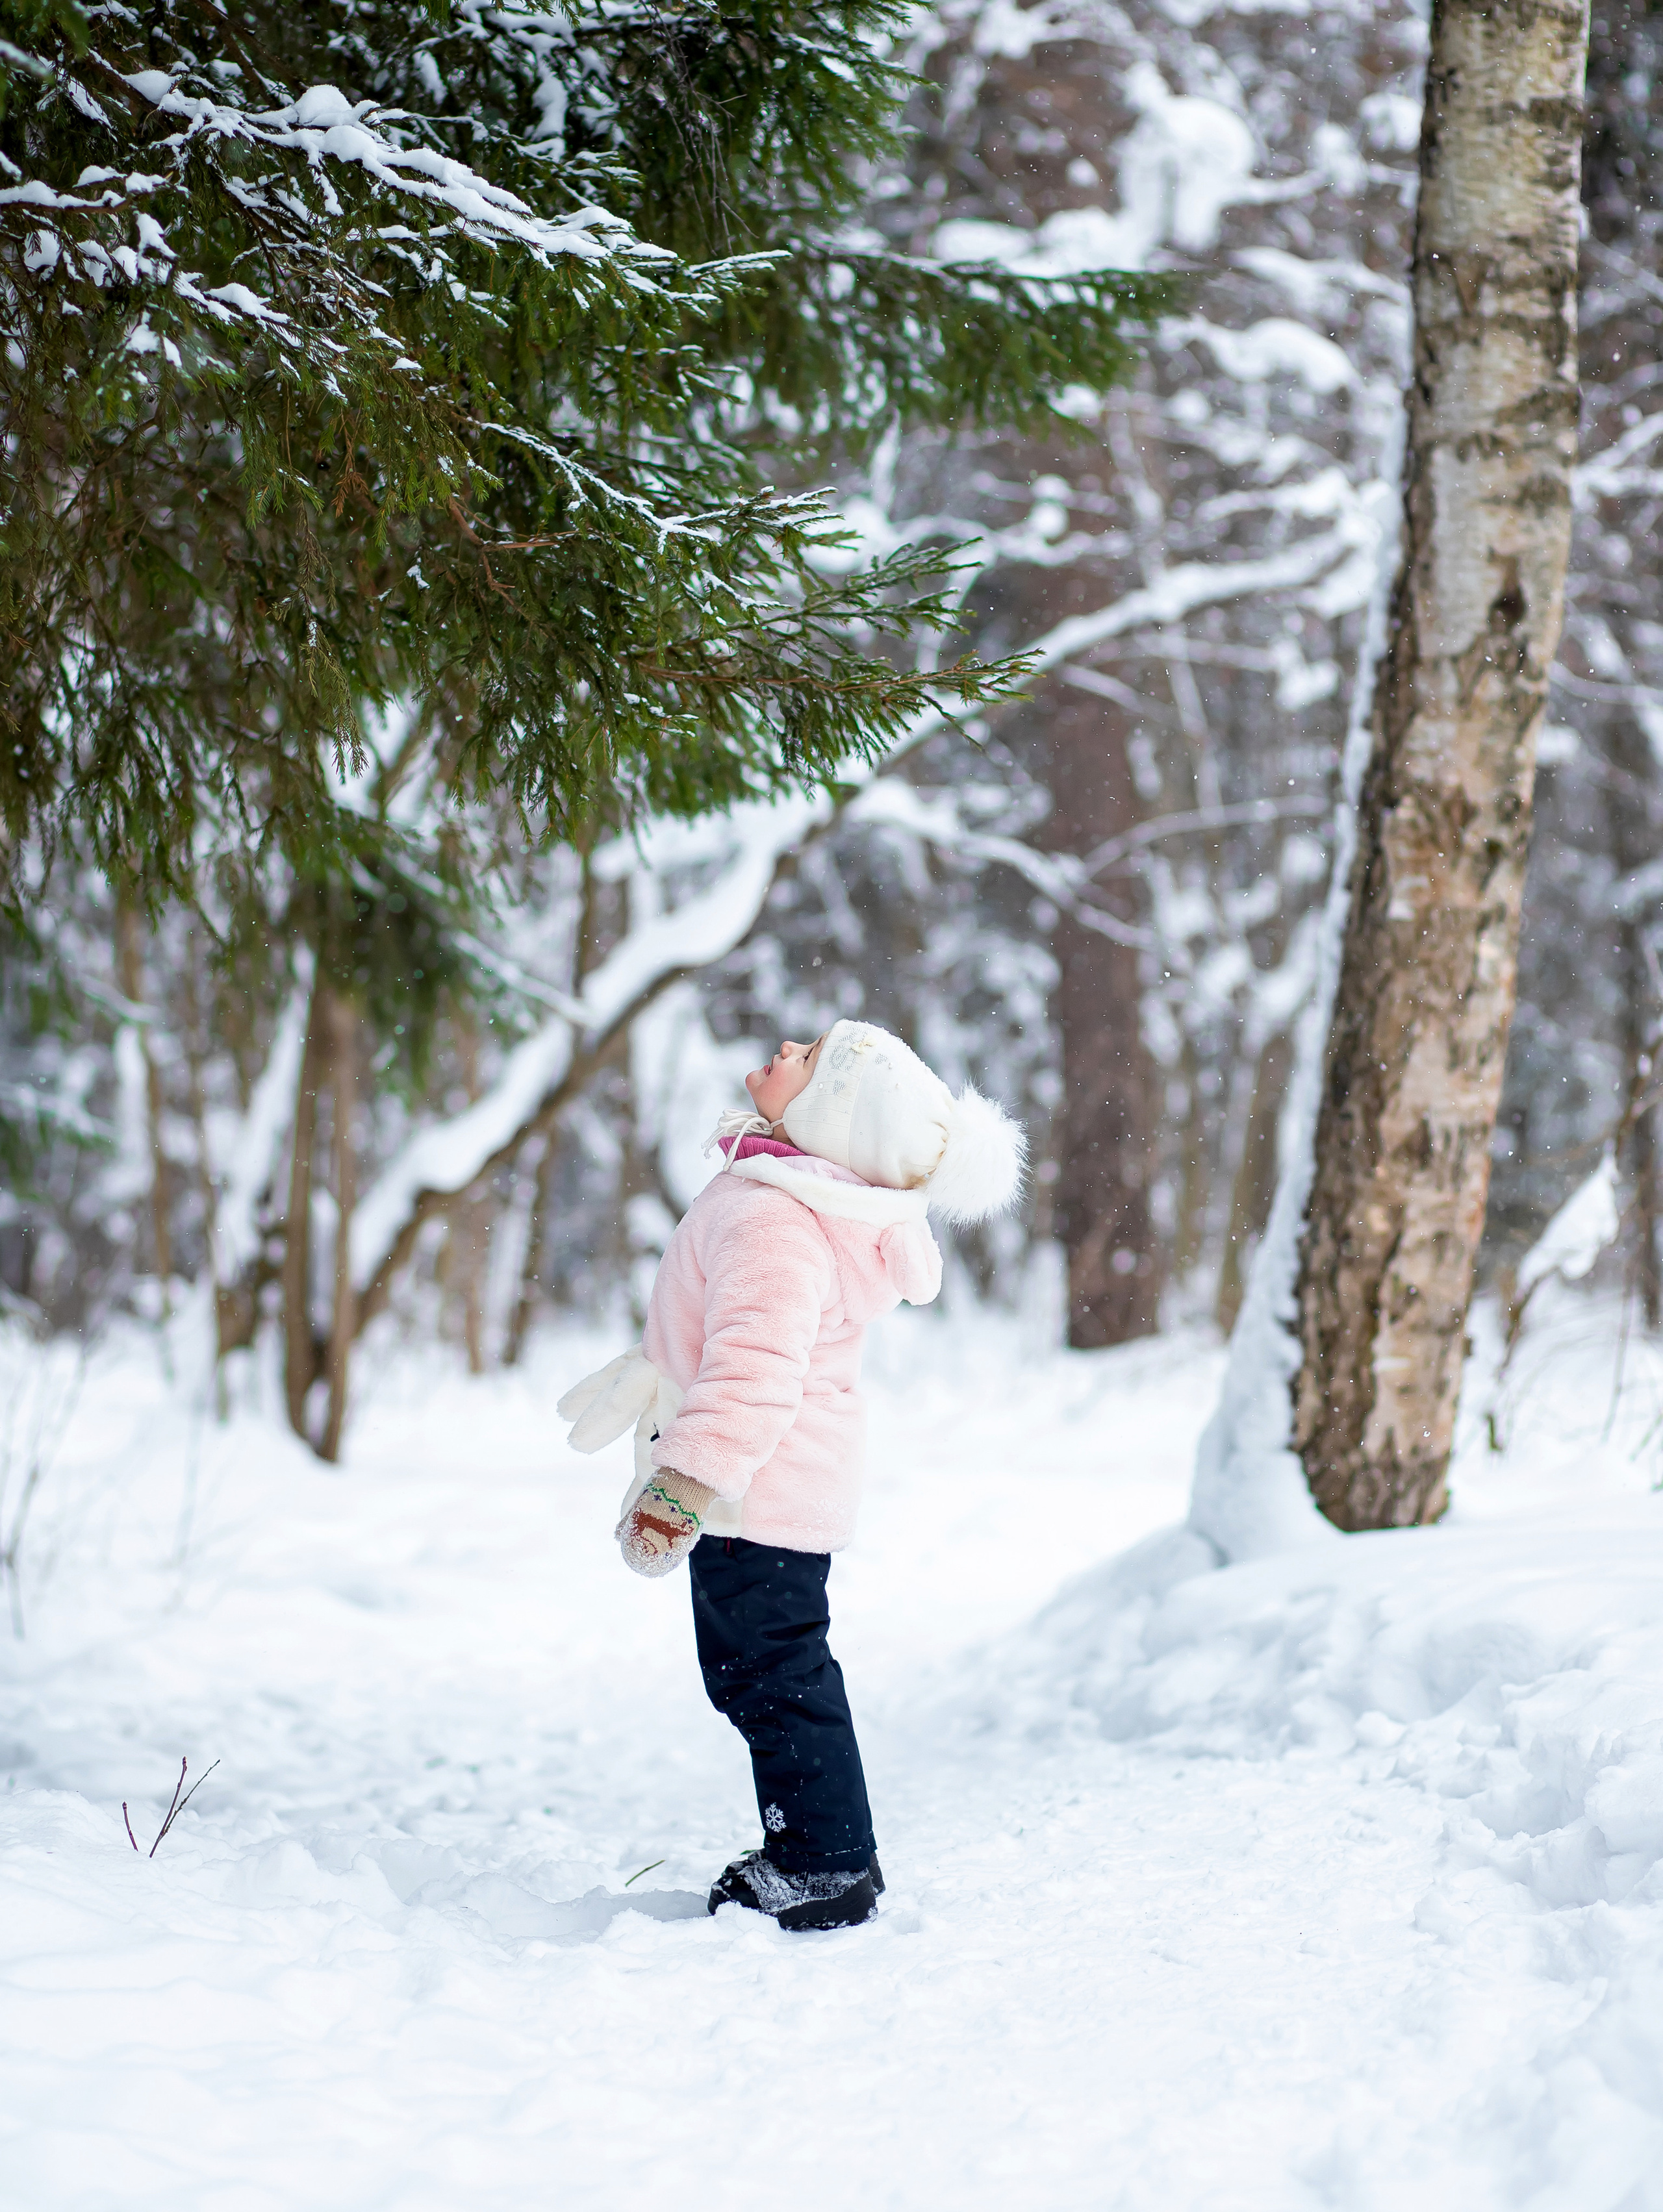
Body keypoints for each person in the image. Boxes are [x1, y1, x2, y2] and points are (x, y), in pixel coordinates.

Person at [559, 1020, 1024, 1931]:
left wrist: (681, 1485)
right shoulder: (789, 1195)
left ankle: (824, 1863)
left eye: (811, 1059)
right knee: (773, 1672)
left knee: (771, 1676)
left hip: (753, 1494)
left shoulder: (776, 1219)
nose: (787, 1048)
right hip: (776, 1490)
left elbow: (755, 1370)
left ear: (829, 1120)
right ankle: (818, 1849)